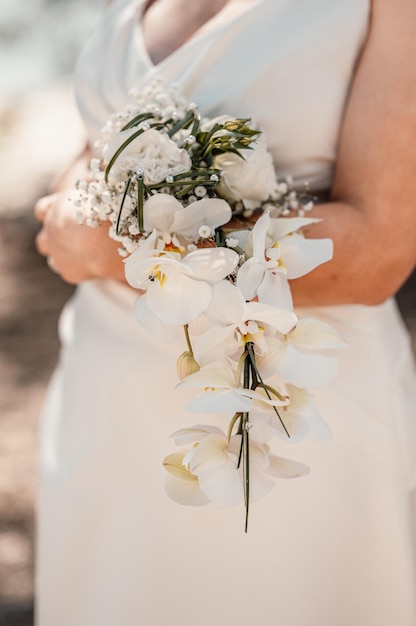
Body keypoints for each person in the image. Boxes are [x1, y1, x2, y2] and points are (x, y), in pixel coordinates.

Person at [34, 0, 416, 624]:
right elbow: (100, 136)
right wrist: (76, 199)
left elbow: (380, 247)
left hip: (290, 410)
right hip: (104, 409)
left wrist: (117, 249)